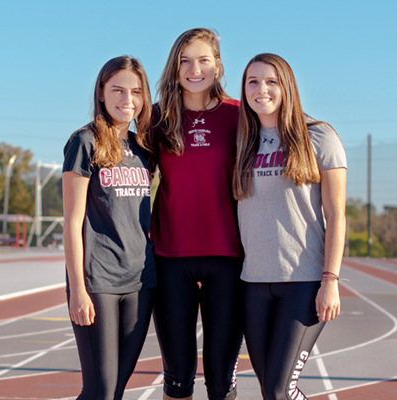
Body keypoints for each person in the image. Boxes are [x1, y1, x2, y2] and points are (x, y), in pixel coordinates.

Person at [233, 53, 347, 400]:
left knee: (280, 390)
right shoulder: (243, 141)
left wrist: (330, 281)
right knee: (271, 389)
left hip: (303, 281)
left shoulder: (319, 137)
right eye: (253, 82)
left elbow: (337, 214)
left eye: (271, 81)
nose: (261, 89)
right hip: (253, 282)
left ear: (287, 87)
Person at [149, 28, 244, 400]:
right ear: (174, 68)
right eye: (185, 60)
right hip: (170, 258)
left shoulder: (240, 115)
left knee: (221, 381)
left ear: (217, 66)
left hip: (229, 258)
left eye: (204, 59)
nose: (194, 68)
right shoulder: (157, 118)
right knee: (177, 378)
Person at [62, 56, 156, 400]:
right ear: (101, 92)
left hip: (141, 281)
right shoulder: (84, 142)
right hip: (97, 281)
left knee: (114, 389)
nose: (127, 100)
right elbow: (72, 221)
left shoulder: (144, 149)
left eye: (135, 92)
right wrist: (78, 290)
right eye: (117, 90)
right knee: (100, 390)